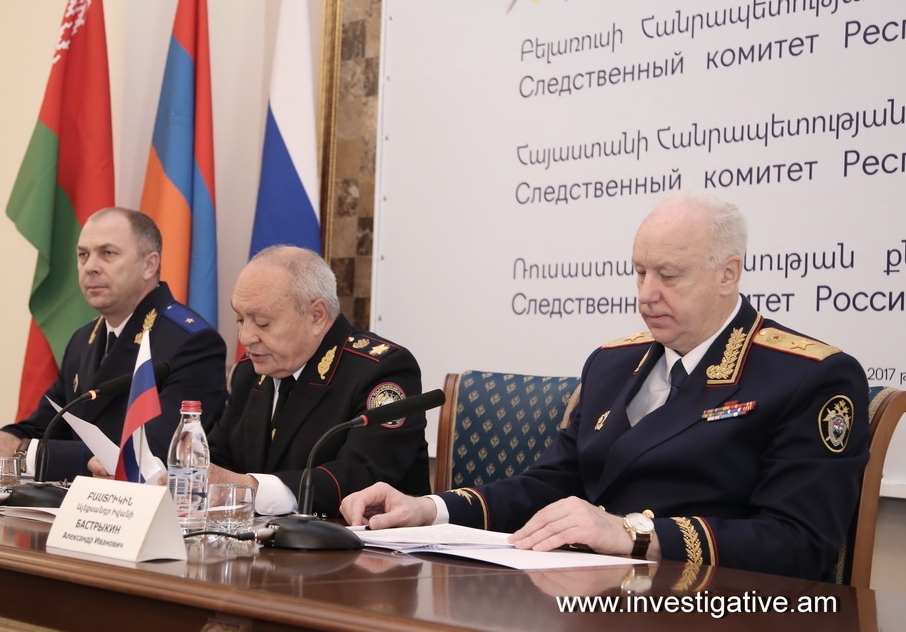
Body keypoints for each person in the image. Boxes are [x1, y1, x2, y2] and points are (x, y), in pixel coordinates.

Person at [341, 193, 869, 581]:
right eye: (639, 273)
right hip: (590, 597)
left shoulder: (808, 375)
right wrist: (428, 509)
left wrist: (634, 534)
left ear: (728, 274)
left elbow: (801, 544)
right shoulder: (613, 363)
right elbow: (551, 485)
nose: (646, 294)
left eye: (668, 275)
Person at [0, 207, 228, 480]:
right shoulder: (82, 340)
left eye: (107, 253)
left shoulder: (191, 343)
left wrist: (21, 452)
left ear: (149, 265)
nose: (90, 267)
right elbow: (47, 427)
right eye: (83, 255)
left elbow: (152, 456)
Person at [204, 245, 429, 518]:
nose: (245, 337)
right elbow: (218, 459)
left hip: (362, 541)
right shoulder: (250, 372)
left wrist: (251, 489)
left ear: (317, 316)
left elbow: (363, 478)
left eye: (262, 323)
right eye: (240, 319)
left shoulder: (382, 370)